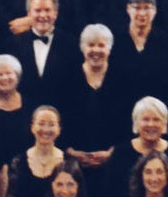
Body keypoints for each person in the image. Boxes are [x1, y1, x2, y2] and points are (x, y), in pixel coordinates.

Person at [55, 25, 132, 186]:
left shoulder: (124, 78)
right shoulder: (65, 76)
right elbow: (58, 117)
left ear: (109, 49)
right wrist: (70, 152)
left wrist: (112, 152)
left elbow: (129, 121)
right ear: (82, 48)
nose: (96, 50)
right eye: (91, 45)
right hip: (72, 164)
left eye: (101, 45)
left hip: (114, 163)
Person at [107, 97, 168, 197]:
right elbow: (110, 196)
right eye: (145, 119)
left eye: (156, 119)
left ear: (164, 123)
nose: (151, 124)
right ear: (136, 123)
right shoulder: (120, 153)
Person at [0, 105, 68, 197]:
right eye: (41, 123)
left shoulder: (68, 163)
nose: (46, 129)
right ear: (32, 127)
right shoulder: (18, 162)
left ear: (59, 129)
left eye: (51, 124)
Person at [110, 0, 168, 106]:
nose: (142, 13)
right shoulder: (114, 40)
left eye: (147, 7)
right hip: (119, 108)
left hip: (154, 111)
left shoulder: (166, 42)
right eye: (137, 7)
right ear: (128, 9)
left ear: (155, 11)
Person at [8, 0, 77, 105]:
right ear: (29, 14)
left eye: (47, 10)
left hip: (61, 114)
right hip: (26, 115)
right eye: (38, 10)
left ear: (55, 13)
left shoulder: (71, 43)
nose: (43, 15)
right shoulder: (14, 44)